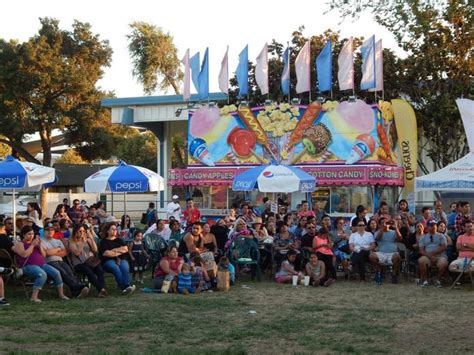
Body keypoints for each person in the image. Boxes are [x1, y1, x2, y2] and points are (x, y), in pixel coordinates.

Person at [12, 225, 69, 303]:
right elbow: (24, 254)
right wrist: (32, 245)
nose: (31, 236)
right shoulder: (20, 244)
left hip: (42, 264)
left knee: (56, 273)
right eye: (29, 234)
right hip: (28, 266)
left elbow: (44, 255)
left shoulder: (36, 243)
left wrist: (39, 246)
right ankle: (34, 297)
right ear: (23, 235)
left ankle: (61, 294)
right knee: (42, 274)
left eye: (32, 234)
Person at [42, 222, 90, 298]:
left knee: (70, 273)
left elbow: (64, 253)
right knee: (63, 273)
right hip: (49, 262)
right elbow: (46, 253)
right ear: (44, 231)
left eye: (52, 230)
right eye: (48, 230)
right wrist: (58, 249)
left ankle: (76, 292)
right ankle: (80, 287)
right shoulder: (41, 241)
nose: (50, 231)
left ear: (54, 231)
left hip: (60, 261)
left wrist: (52, 252)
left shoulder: (57, 241)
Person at [69, 224, 107, 298]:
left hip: (90, 262)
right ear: (75, 232)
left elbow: (95, 250)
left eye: (83, 231)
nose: (82, 233)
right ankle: (101, 289)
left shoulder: (88, 240)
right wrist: (83, 242)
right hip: (79, 264)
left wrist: (91, 239)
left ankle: (101, 291)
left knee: (100, 270)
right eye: (80, 231)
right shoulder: (72, 242)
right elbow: (77, 253)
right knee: (88, 271)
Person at [98, 222, 136, 294]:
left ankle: (126, 286)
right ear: (107, 231)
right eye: (112, 229)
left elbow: (125, 249)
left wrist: (113, 250)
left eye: (115, 229)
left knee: (124, 267)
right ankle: (125, 287)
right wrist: (119, 250)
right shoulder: (104, 241)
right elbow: (106, 253)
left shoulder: (119, 240)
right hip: (108, 261)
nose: (115, 231)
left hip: (121, 259)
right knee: (115, 268)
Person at [418, 220, 448, 287]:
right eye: (432, 225)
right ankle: (425, 280)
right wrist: (430, 256)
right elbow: (421, 250)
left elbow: (444, 247)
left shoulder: (441, 236)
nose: (434, 227)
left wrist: (433, 253)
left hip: (440, 256)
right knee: (421, 261)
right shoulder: (423, 237)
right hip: (427, 256)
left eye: (435, 225)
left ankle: (437, 280)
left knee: (444, 263)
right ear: (428, 227)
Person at [373, 217, 402, 284]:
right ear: (379, 225)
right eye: (382, 223)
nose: (385, 224)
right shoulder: (377, 232)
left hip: (392, 254)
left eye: (386, 222)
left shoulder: (394, 232)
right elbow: (377, 238)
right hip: (381, 253)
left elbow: (400, 238)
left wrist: (396, 228)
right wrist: (383, 229)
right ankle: (379, 272)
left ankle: (394, 275)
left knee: (397, 256)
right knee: (372, 256)